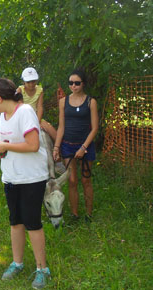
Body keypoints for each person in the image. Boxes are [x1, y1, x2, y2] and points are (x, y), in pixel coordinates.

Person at [0, 78, 51, 289]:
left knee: (32, 223)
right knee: (15, 222)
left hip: (31, 177)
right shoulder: (2, 116)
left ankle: (42, 269)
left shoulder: (24, 112)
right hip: (11, 176)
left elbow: (33, 145)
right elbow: (1, 143)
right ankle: (18, 263)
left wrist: (4, 146)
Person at [53, 69, 99, 223]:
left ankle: (89, 214)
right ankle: (74, 214)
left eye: (77, 83)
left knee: (86, 179)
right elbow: (61, 127)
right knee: (72, 181)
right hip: (67, 146)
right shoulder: (63, 102)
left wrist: (83, 147)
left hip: (85, 146)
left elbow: (94, 128)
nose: (73, 86)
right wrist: (56, 147)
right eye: (71, 83)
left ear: (83, 84)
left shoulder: (90, 102)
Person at [18, 67, 57, 139]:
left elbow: (39, 107)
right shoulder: (20, 90)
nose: (31, 84)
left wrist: (37, 121)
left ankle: (59, 146)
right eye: (28, 82)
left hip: (35, 116)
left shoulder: (39, 90)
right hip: (23, 117)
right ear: (24, 82)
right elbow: (20, 107)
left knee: (50, 128)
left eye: (33, 81)